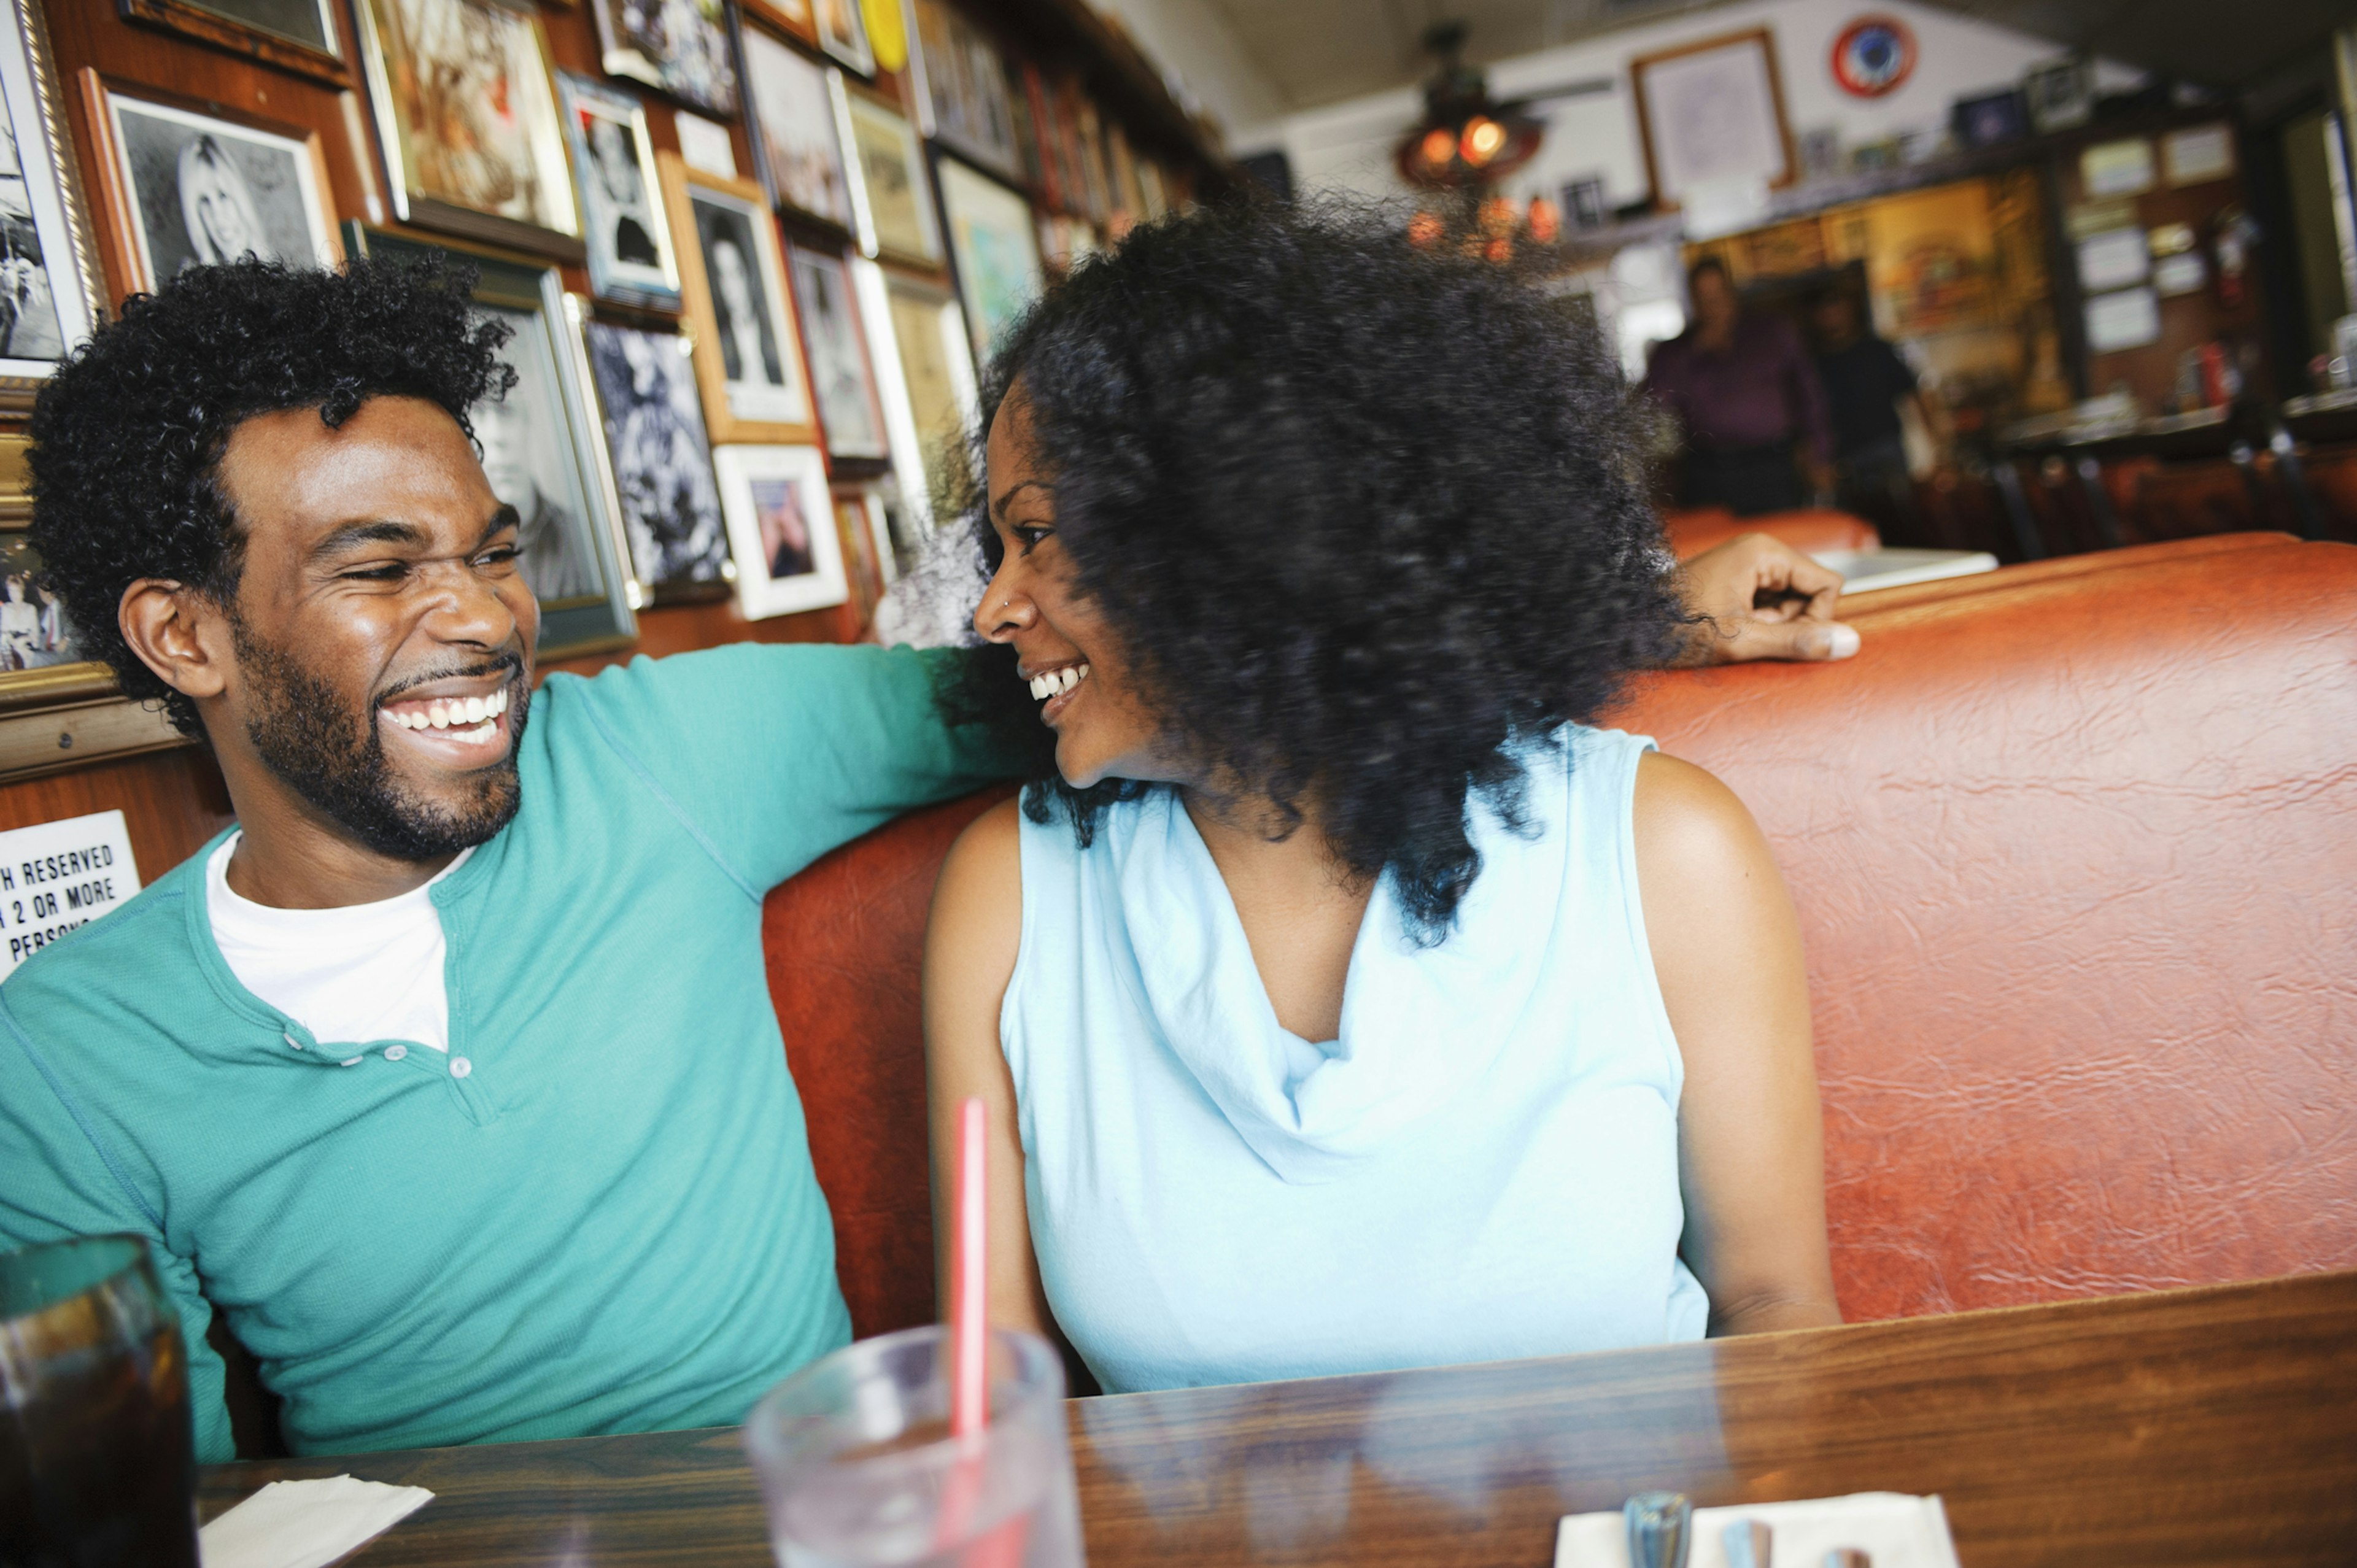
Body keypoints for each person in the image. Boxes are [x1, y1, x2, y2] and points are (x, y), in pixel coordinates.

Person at [0, 256, 1016, 1464]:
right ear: (184, 634)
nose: (487, 618)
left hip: (798, 1514)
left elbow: (1067, 692)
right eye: (379, 568)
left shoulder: (657, 755)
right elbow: (159, 1508)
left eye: (490, 552)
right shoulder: (66, 1055)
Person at [923, 206, 1843, 1399]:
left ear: (1239, 524)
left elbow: (1775, 1307)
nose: (993, 607)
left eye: (1036, 534)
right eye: (997, 543)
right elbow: (991, 1400)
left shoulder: (1666, 852)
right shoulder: (1010, 897)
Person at [1643, 258, 1833, 516]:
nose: (1713, 305)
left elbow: (1809, 395)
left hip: (1772, 464)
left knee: (1780, 541)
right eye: (1703, 297)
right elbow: (1655, 401)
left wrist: (1819, 453)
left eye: (1718, 294)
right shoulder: (1675, 352)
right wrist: (1695, 350)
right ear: (1692, 301)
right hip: (1709, 470)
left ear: (1731, 292)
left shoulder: (1771, 332)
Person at [1809, 285, 1944, 528]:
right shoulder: (1813, 365)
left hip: (1888, 452)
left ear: (1850, 309)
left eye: (1836, 306)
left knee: (1906, 518)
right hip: (1844, 461)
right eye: (1825, 310)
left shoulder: (1878, 350)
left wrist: (1937, 444)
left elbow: (1914, 394)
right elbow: (1807, 418)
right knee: (1860, 527)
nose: (1832, 314)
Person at [472, 367, 597, 601]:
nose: (497, 435)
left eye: (506, 412)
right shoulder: (452, 555)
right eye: (479, 414)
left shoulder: (583, 539)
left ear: (527, 423)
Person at [177, 135, 269, 268]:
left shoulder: (279, 273)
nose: (217, 215)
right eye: (205, 200)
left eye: (223, 196)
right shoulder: (189, 279)